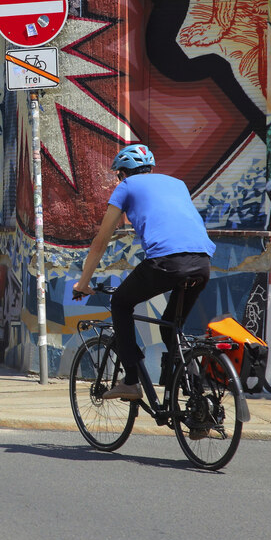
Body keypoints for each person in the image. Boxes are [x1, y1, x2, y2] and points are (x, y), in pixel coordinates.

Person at [72, 145, 215, 401]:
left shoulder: (126, 186)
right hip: (203, 263)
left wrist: (83, 283)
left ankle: (130, 381)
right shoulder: (177, 183)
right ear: (150, 168)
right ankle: (196, 398)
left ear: (123, 174)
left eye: (119, 175)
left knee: (121, 303)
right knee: (171, 327)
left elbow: (101, 241)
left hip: (166, 262)